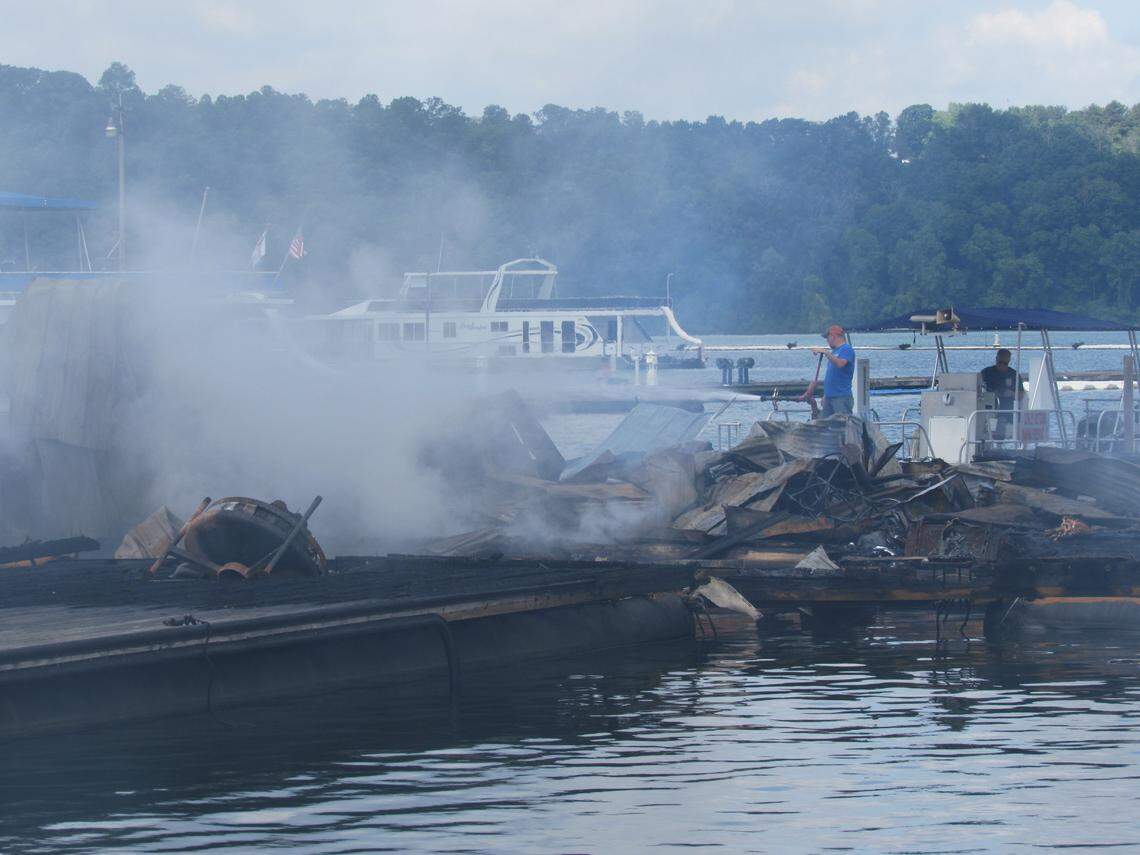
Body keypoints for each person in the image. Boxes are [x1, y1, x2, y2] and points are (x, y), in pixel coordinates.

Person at [801, 324, 855, 417]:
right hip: (829, 397)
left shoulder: (846, 349)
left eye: (827, 337)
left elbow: (840, 364)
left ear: (833, 336)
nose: (827, 340)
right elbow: (832, 375)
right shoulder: (834, 352)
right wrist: (826, 395)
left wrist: (825, 352)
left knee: (842, 425)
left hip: (841, 398)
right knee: (823, 425)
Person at [980, 349, 1018, 439]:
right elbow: (979, 389)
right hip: (988, 409)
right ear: (996, 359)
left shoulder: (1013, 374)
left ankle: (999, 444)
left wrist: (1011, 393)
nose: (1002, 365)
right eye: (1000, 362)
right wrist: (995, 393)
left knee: (1002, 420)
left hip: (1007, 410)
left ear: (1009, 361)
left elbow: (1021, 394)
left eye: (1005, 363)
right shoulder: (986, 372)